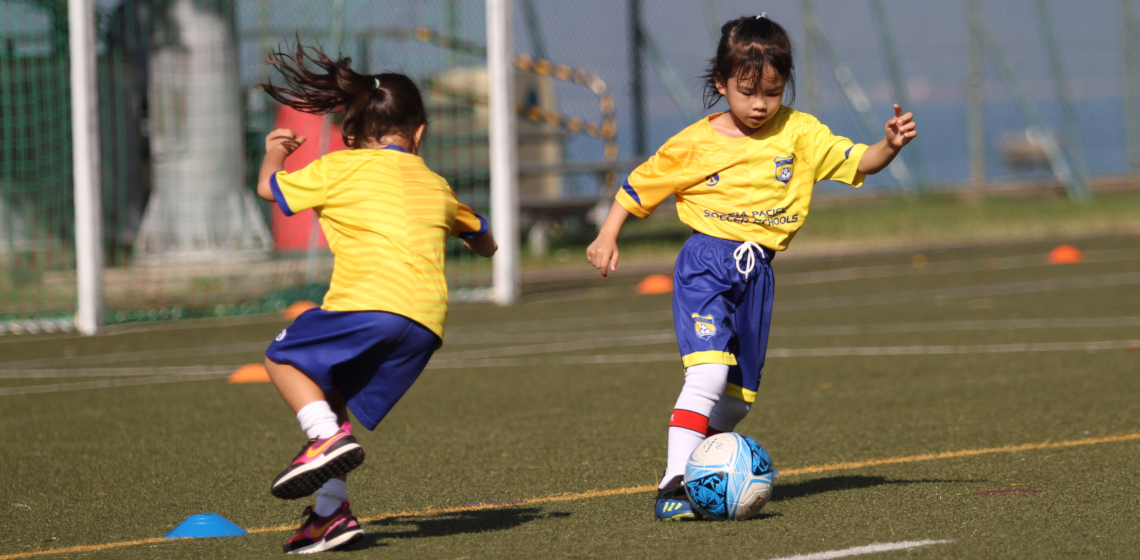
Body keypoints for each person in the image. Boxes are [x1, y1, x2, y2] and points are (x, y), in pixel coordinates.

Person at [586, 14, 917, 521]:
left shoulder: (800, 133)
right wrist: (608, 234)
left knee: (738, 401)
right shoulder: (695, 142)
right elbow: (639, 186)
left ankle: (708, 471)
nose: (760, 104)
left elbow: (858, 161)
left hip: (757, 273)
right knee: (709, 373)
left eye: (772, 92)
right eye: (746, 92)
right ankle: (672, 485)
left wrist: (889, 145)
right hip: (707, 263)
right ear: (721, 83)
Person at [254, 42, 497, 553]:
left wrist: (277, 147)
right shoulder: (436, 183)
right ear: (420, 133)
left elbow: (268, 189)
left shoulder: (339, 167)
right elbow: (485, 240)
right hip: (425, 325)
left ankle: (323, 438)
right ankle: (329, 516)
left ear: (351, 134)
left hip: (368, 305)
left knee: (280, 358)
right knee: (333, 396)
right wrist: (470, 237)